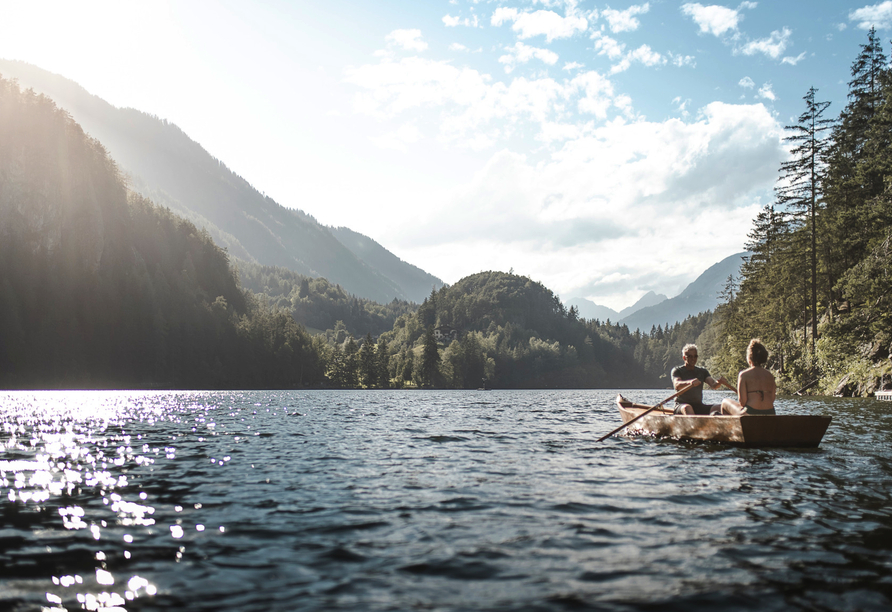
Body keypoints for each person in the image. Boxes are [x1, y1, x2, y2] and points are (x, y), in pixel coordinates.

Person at [720, 339, 777, 415]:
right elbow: (772, 399)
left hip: (751, 412)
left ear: (749, 358)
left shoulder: (744, 375)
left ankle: (731, 427)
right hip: (770, 413)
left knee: (725, 402)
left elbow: (742, 402)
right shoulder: (770, 376)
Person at [671, 344, 729, 415]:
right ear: (684, 358)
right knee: (688, 408)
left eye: (695, 356)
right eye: (690, 356)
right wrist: (690, 383)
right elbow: (677, 385)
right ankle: (694, 425)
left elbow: (714, 385)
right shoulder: (677, 370)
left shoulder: (702, 371)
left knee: (721, 407)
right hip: (681, 406)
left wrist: (719, 382)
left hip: (698, 406)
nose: (693, 359)